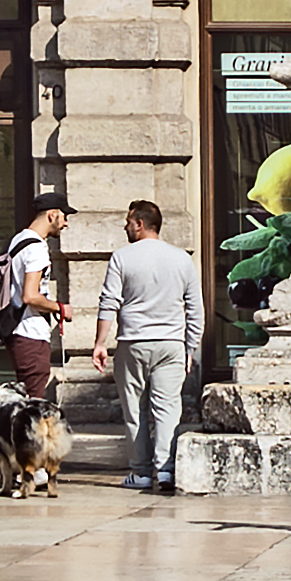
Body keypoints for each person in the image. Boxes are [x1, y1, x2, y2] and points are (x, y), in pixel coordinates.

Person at [105, 198, 204, 495]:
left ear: (140, 223)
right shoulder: (182, 259)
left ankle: (140, 472)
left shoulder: (121, 257)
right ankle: (165, 470)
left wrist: (99, 343)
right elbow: (195, 309)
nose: (125, 226)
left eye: (128, 221)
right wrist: (190, 348)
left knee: (135, 409)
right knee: (167, 410)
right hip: (172, 343)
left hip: (132, 341)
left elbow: (108, 303)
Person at [0, 194, 76, 495]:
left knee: (27, 404)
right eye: (64, 215)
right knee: (32, 408)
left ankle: (21, 469)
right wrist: (59, 307)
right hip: (30, 332)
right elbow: (30, 296)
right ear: (51, 215)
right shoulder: (36, 249)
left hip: (19, 331)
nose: (66, 221)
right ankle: (31, 472)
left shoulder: (19, 240)